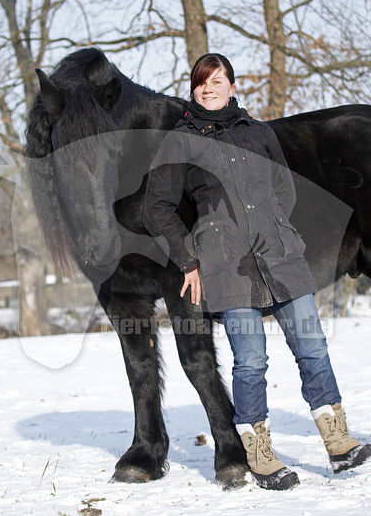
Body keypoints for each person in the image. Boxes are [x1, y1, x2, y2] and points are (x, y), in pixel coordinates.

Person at [142, 53, 371, 490]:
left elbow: (284, 189)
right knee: (250, 362)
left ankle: (338, 441)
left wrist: (279, 230)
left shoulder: (259, 133)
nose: (209, 89)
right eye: (201, 83)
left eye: (217, 81)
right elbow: (158, 208)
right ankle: (260, 455)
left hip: (281, 257)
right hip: (227, 267)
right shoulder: (180, 141)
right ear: (194, 90)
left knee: (314, 348)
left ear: (233, 86)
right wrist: (190, 259)